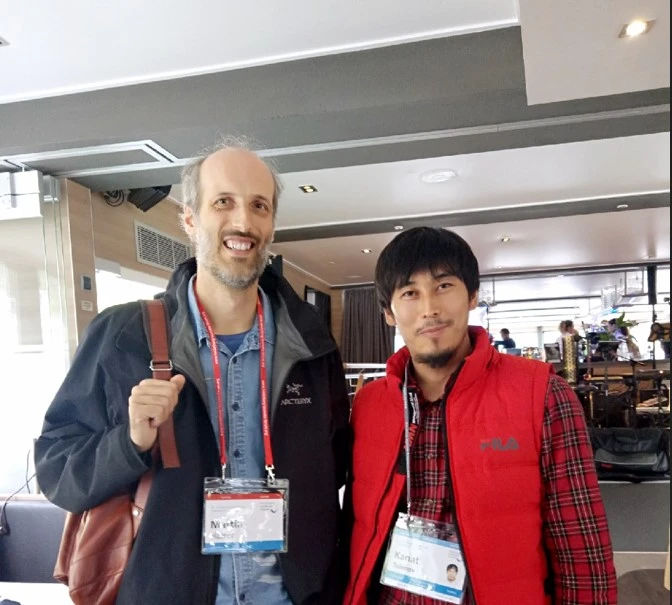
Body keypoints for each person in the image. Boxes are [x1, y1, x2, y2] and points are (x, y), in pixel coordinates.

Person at [34, 139, 350, 605]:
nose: (243, 222)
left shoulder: (311, 344)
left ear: (271, 224)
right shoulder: (122, 336)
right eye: (223, 202)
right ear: (189, 218)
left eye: (259, 206)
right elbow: (57, 470)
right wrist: (130, 442)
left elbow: (333, 467)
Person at [344, 227, 617, 605]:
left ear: (472, 295)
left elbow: (582, 550)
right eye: (410, 293)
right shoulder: (369, 405)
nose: (429, 308)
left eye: (444, 286)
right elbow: (357, 530)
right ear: (389, 313)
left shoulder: (542, 395)